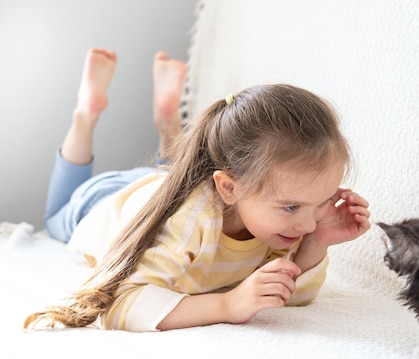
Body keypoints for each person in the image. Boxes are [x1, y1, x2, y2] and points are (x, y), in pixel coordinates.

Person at [24, 48, 371, 332]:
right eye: (293, 208)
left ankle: (168, 122)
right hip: (108, 201)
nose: (308, 224)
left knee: (176, 170)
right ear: (230, 188)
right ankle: (85, 115)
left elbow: (291, 297)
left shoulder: (280, 213)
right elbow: (119, 306)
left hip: (170, 182)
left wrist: (317, 243)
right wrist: (227, 304)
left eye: (323, 202)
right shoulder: (189, 224)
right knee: (55, 215)